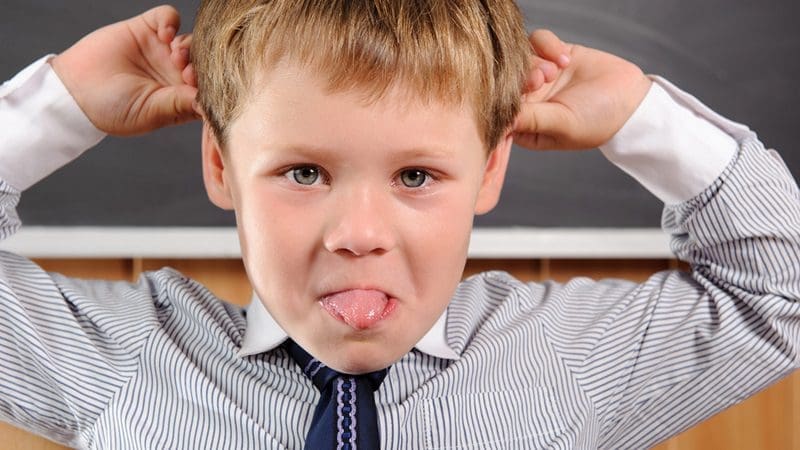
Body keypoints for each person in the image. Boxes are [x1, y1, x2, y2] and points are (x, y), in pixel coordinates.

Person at [1, 2, 798, 449]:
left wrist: (641, 120)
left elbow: (781, 297)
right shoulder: (129, 360)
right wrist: (60, 105)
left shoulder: (564, 361)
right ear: (220, 166)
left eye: (416, 176)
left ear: (489, 170)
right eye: (303, 173)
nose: (358, 233)